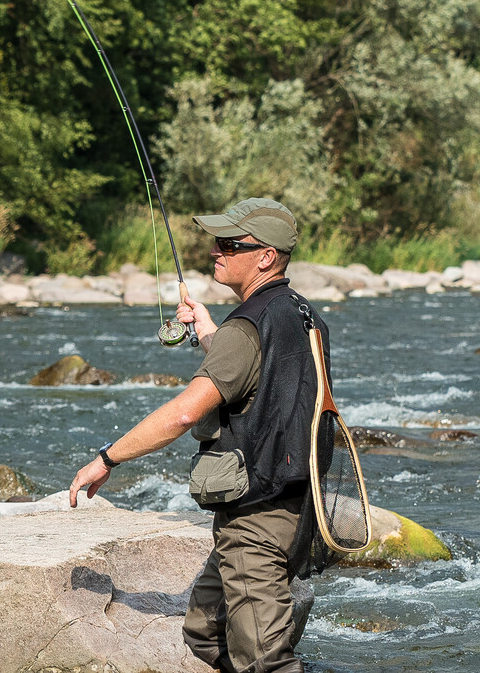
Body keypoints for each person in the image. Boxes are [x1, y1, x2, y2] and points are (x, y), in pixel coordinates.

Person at [66, 197, 325, 673]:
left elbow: (184, 414)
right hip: (295, 506)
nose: (215, 251)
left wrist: (107, 459)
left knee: (266, 664)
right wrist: (210, 332)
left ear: (266, 256)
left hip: (257, 520)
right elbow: (257, 379)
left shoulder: (246, 328)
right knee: (205, 632)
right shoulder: (300, 313)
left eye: (230, 244)